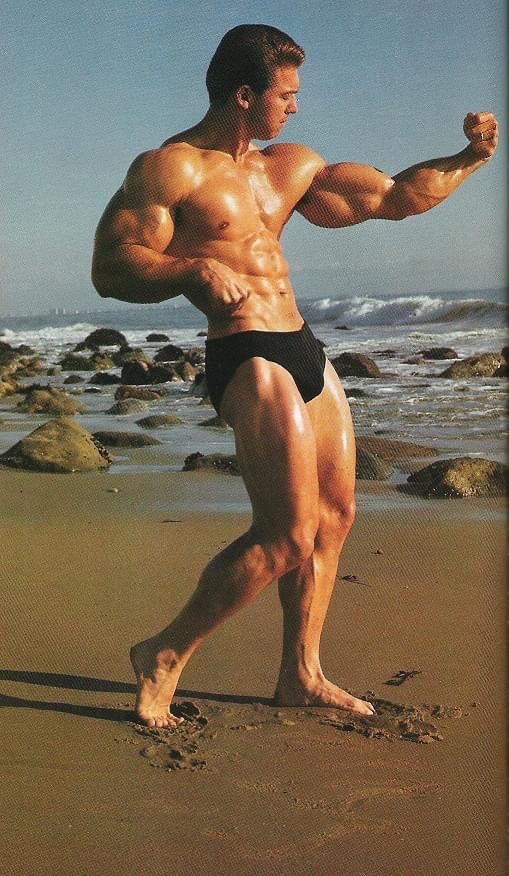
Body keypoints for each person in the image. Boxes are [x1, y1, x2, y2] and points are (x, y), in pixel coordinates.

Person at [92, 24, 498, 728]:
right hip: (245, 354)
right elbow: (112, 266)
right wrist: (189, 267)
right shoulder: (169, 169)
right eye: (287, 94)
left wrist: (470, 156)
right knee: (284, 534)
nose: (296, 107)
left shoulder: (289, 166)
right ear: (244, 94)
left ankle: (299, 674)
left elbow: (396, 196)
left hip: (300, 347)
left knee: (336, 517)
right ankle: (163, 652)